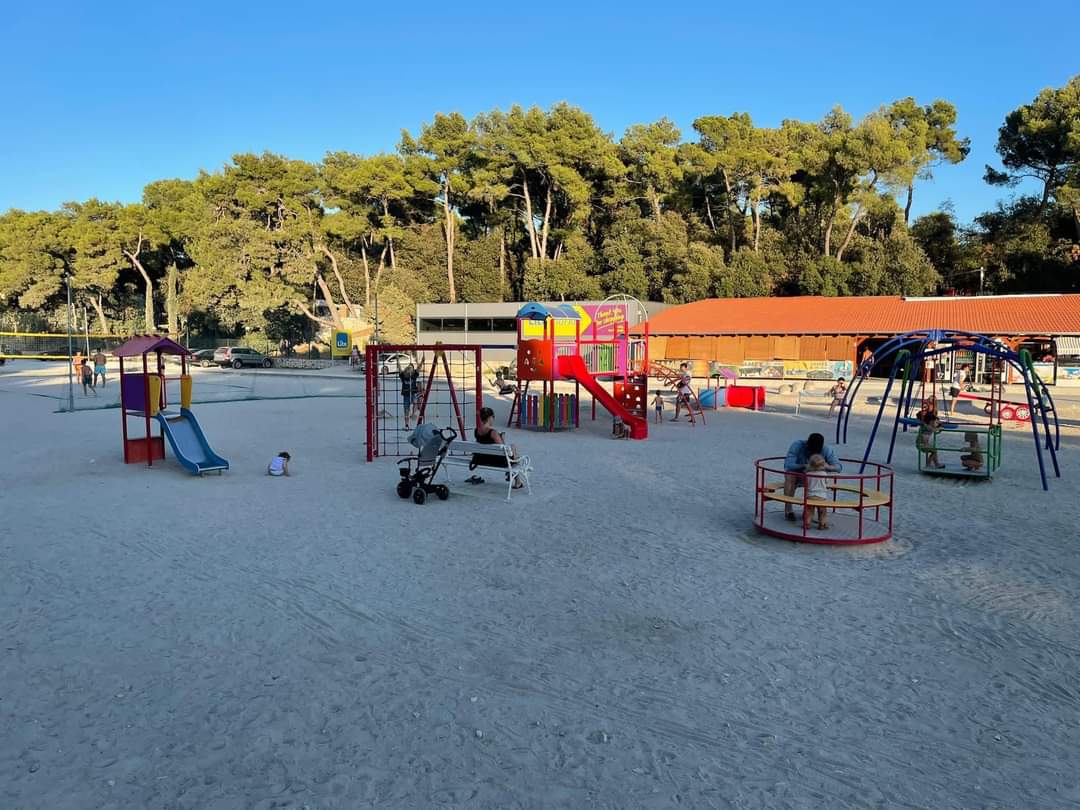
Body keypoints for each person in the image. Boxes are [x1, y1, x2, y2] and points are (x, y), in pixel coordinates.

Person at [782, 433, 842, 521]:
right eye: (810, 451)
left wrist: (827, 467)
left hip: (815, 478)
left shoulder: (826, 449)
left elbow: (838, 467)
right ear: (807, 444)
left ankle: (809, 511)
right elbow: (788, 464)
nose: (812, 453)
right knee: (789, 475)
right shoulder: (797, 445)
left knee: (820, 476)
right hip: (799, 475)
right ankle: (788, 509)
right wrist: (805, 466)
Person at [473, 406, 525, 489]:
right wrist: (502, 438)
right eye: (493, 417)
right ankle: (515, 479)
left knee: (513, 454)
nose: (493, 419)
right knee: (513, 450)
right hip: (497, 461)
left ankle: (517, 481)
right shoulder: (493, 432)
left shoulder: (477, 431)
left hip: (482, 459)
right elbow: (503, 448)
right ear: (490, 418)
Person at [804, 453, 832, 530]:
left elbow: (805, 484)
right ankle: (822, 524)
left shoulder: (808, 474)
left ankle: (807, 523)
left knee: (809, 511)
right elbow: (826, 482)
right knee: (822, 511)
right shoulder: (824, 474)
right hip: (821, 496)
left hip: (810, 495)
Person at [399, 361, 420, 429]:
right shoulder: (403, 376)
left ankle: (413, 414)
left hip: (413, 394)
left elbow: (419, 368)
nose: (409, 369)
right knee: (406, 410)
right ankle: (406, 425)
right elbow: (399, 368)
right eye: (408, 368)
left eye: (411, 368)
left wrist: (422, 361)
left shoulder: (414, 376)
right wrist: (397, 358)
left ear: (413, 370)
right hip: (406, 396)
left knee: (415, 402)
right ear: (406, 370)